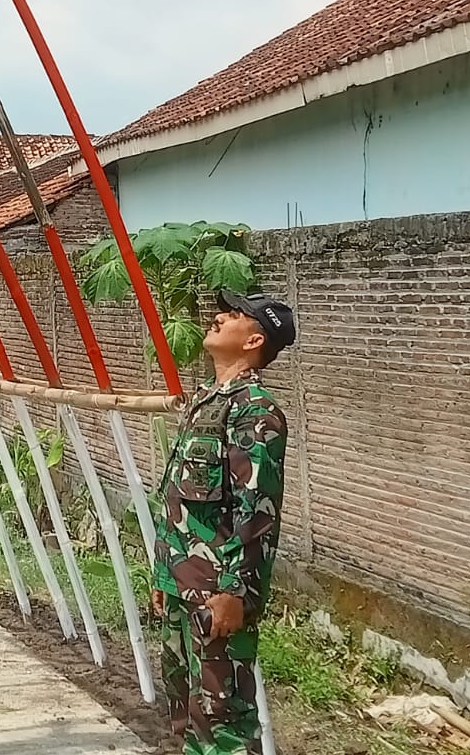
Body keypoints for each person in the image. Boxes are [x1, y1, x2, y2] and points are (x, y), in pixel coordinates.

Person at [152, 288, 297, 754]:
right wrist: (161, 573)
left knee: (223, 722)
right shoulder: (207, 401)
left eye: (233, 315)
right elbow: (181, 498)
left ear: (254, 341)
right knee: (184, 713)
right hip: (182, 587)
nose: (216, 317)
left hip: (217, 593)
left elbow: (257, 513)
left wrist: (234, 591)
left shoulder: (255, 411)